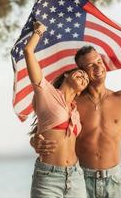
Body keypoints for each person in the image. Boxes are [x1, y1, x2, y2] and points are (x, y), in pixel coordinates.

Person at [31, 41, 121, 198]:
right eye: (90, 65)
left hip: (113, 181)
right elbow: (46, 125)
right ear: (82, 72)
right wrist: (35, 141)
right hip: (79, 179)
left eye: (99, 61)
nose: (98, 67)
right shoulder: (73, 104)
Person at [24, 21, 90, 198]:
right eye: (80, 72)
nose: (83, 76)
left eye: (86, 79)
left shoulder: (76, 111)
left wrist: (34, 139)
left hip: (76, 176)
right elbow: (28, 53)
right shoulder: (46, 92)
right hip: (48, 178)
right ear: (67, 74)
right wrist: (38, 31)